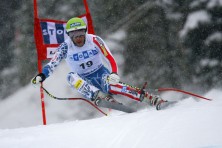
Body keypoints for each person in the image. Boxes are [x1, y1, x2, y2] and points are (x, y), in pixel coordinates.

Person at [31, 17, 164, 109]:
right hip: (84, 80)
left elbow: (109, 57)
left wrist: (113, 73)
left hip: (100, 74)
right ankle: (100, 96)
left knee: (116, 86)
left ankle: (151, 99)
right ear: (69, 35)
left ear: (85, 31)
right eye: (74, 35)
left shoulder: (94, 40)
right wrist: (41, 76)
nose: (78, 38)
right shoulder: (65, 47)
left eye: (81, 33)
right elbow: (52, 64)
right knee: (70, 76)